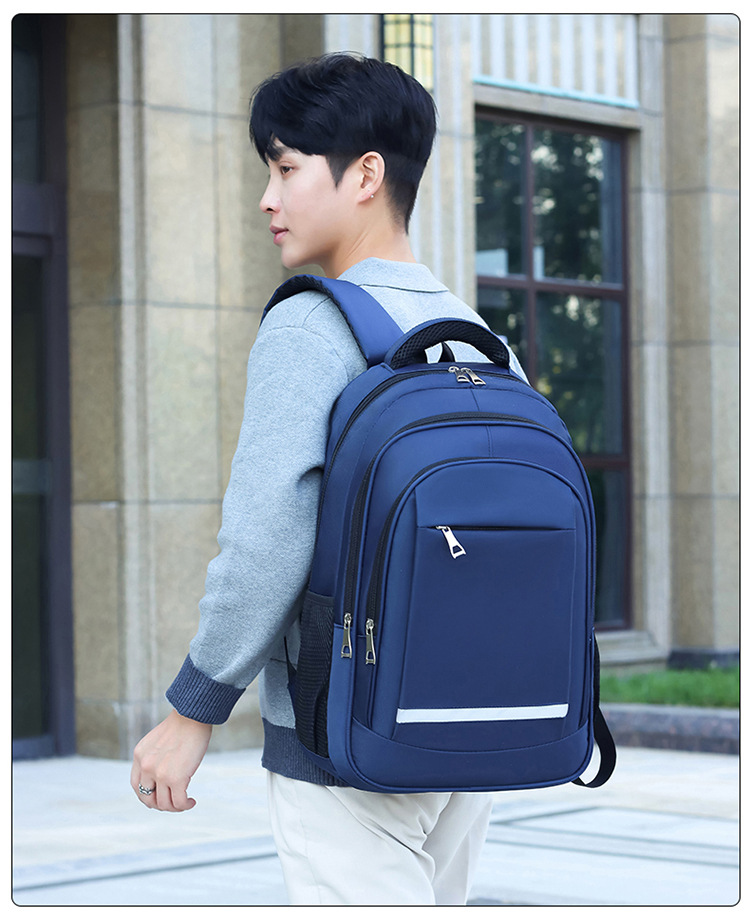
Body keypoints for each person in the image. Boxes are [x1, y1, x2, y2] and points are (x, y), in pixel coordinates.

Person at [131, 51, 526, 906]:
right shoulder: (480, 339)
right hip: (473, 725)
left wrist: (194, 708)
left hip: (343, 732)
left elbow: (268, 537)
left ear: (366, 176)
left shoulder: (312, 325)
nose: (267, 199)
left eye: (285, 169)